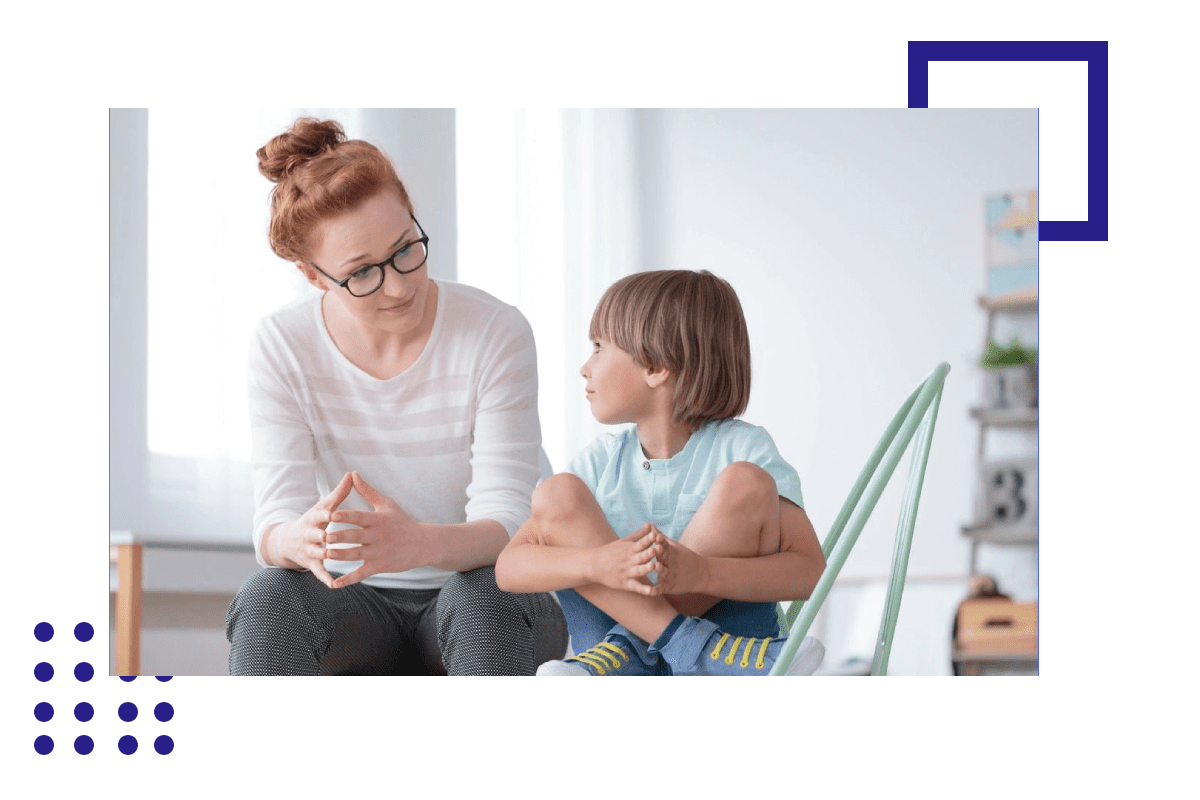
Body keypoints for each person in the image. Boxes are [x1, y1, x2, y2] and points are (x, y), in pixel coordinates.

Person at [225, 117, 568, 675]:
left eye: (407, 247)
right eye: (362, 272)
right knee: (271, 596)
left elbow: (507, 524)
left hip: (488, 591)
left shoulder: (494, 332)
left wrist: (418, 545)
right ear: (313, 276)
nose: (400, 284)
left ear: (413, 215)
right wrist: (300, 538)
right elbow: (273, 526)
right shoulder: (281, 345)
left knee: (486, 593)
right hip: (356, 607)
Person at [495, 270, 827, 675]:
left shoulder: (743, 450)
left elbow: (809, 572)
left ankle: (636, 652)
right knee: (556, 493)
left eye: (599, 348)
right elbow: (508, 569)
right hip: (712, 663)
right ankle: (693, 650)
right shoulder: (599, 463)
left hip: (672, 655)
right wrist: (598, 563)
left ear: (654, 366)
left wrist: (702, 572)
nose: (585, 367)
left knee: (747, 482)